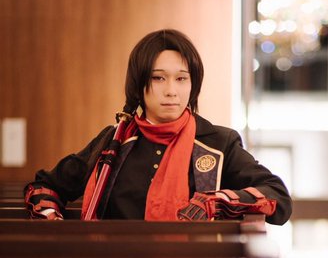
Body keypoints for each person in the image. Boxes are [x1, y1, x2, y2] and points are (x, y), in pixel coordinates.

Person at [24, 29, 292, 224]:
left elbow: (277, 196)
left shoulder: (218, 143)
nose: (171, 90)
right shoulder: (114, 141)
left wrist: (217, 201)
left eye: (181, 79)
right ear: (138, 85)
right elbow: (45, 186)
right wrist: (51, 218)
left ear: (193, 85)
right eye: (158, 78)